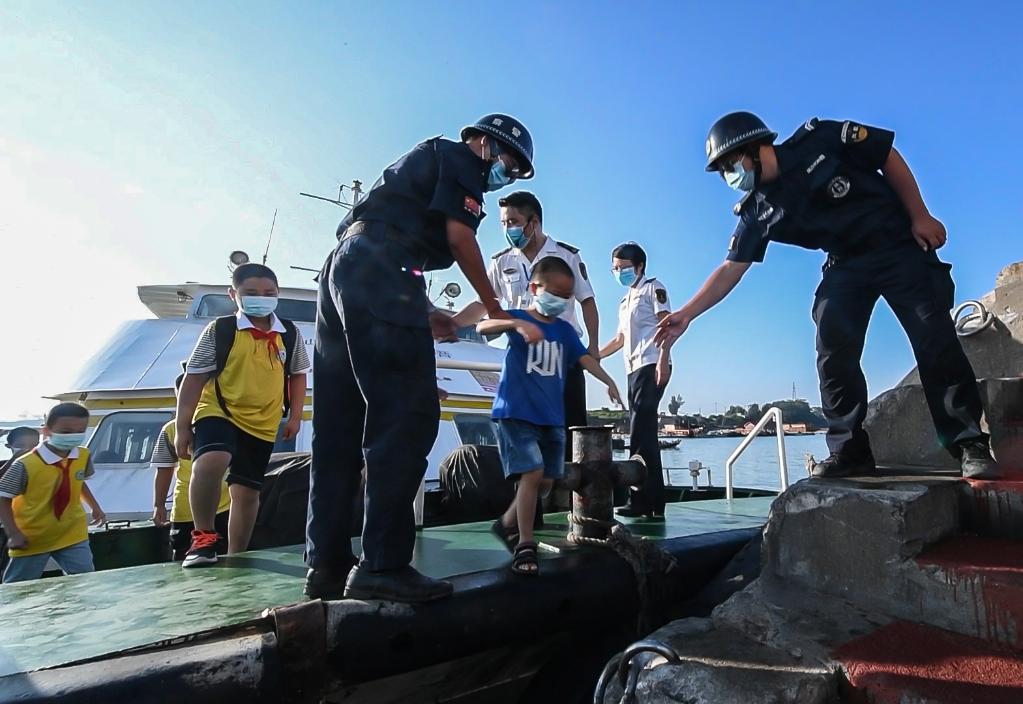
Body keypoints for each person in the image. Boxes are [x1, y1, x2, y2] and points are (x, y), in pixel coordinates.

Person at [655, 112, 999, 480]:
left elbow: (887, 156)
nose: (729, 176)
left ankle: (969, 444)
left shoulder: (821, 140)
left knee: (933, 338)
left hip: (896, 244)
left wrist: (920, 215)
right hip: (845, 263)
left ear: (755, 149)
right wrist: (687, 313)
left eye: (729, 164)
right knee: (832, 345)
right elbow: (730, 268)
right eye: (722, 170)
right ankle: (849, 451)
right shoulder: (757, 211)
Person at [305, 114, 535, 602]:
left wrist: (425, 308)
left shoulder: (424, 164)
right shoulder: (460, 159)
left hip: (344, 269)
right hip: (384, 267)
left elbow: (383, 239)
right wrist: (492, 306)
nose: (504, 179)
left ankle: (326, 564)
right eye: (509, 166)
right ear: (487, 145)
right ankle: (383, 565)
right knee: (406, 416)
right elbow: (459, 237)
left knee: (339, 424)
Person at [481, 257, 622, 575]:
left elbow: (584, 358)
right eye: (553, 292)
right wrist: (515, 324)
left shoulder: (564, 331)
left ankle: (507, 523)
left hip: (550, 417)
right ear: (534, 288)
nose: (559, 300)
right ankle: (524, 544)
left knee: (546, 481)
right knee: (531, 475)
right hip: (516, 413)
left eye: (566, 295)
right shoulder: (519, 317)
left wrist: (608, 380)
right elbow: (484, 326)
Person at [176, 262, 310, 567]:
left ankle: (238, 554)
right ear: (233, 294)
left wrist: (295, 416)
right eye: (250, 293)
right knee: (212, 460)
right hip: (219, 408)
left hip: (263, 421)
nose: (260, 298)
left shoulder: (289, 333)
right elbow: (194, 377)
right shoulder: (221, 330)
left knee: (247, 492)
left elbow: (298, 375)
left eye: (269, 293)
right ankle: (204, 538)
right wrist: (183, 427)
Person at [454, 191, 600, 461]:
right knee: (527, 437)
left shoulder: (566, 256)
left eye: (513, 221)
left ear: (533, 223)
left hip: (563, 358)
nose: (508, 229)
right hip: (523, 361)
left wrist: (593, 347)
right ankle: (535, 504)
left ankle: (569, 501)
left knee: (568, 436)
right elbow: (483, 304)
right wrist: (453, 324)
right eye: (504, 223)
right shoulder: (502, 262)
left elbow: (588, 302)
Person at [599, 242, 672, 518]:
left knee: (640, 432)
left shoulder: (653, 288)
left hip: (651, 363)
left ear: (639, 266)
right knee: (643, 434)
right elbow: (620, 339)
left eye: (624, 268)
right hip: (633, 368)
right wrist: (594, 355)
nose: (619, 273)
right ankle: (653, 502)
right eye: (615, 269)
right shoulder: (624, 301)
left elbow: (667, 324)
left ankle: (642, 499)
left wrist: (664, 359)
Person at [0, 402, 105, 583]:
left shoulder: (83, 455)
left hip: (73, 533)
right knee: (18, 587)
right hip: (33, 537)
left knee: (84, 581)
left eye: (80, 431)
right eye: (66, 432)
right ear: (46, 431)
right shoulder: (26, 464)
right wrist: (14, 533)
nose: (73, 436)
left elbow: (78, 481)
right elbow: (3, 497)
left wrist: (95, 506)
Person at [151, 374, 231, 561]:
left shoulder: (226, 425)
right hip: (184, 511)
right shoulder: (170, 430)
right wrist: (159, 504)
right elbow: (164, 469)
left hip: (225, 507)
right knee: (184, 563)